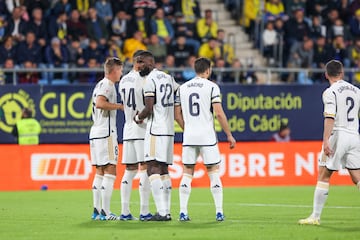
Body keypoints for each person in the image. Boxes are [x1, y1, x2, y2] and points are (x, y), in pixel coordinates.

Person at [298, 60, 360, 226]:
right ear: (342, 73)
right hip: (354, 134)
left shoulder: (330, 92)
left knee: (324, 175)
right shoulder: (356, 91)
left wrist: (326, 140)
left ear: (326, 74)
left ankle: (315, 217)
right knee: (357, 177)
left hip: (338, 135)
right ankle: (314, 216)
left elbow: (330, 117)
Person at [174, 57, 236, 221]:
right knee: (213, 172)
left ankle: (183, 211)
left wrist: (187, 129)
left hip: (189, 137)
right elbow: (219, 114)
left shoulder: (183, 88)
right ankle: (219, 212)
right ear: (208, 70)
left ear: (195, 69)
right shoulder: (212, 87)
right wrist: (229, 135)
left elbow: (176, 114)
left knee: (187, 172)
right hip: (207, 137)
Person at [134, 50, 179, 221]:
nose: (138, 66)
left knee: (152, 167)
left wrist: (138, 117)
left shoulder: (150, 80)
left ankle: (161, 212)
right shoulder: (168, 77)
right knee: (164, 169)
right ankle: (166, 211)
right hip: (169, 129)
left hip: (155, 129)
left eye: (141, 62)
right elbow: (180, 92)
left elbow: (149, 107)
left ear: (150, 62)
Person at [118, 50, 152, 221]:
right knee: (144, 169)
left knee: (129, 170)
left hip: (127, 128)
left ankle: (124, 211)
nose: (148, 66)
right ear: (139, 62)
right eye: (145, 63)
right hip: (141, 127)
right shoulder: (144, 80)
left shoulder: (123, 80)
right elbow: (148, 104)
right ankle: (144, 211)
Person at [89, 57, 124, 221]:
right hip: (106, 132)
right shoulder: (108, 85)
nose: (121, 73)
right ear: (114, 70)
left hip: (96, 131)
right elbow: (100, 104)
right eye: (120, 70)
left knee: (100, 172)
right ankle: (106, 211)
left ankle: (96, 210)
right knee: (110, 170)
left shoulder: (99, 84)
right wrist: (120, 106)